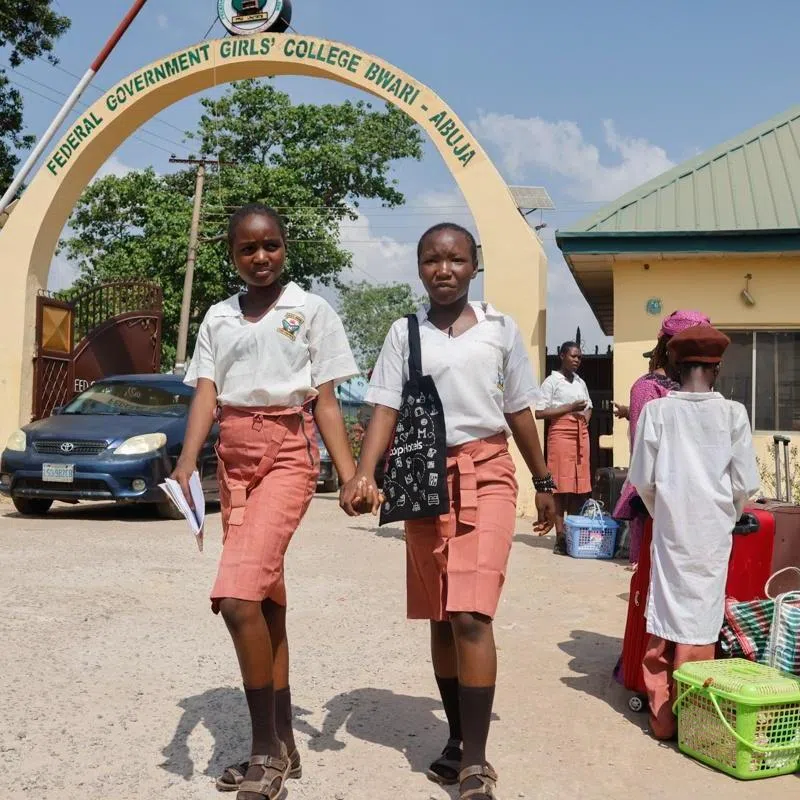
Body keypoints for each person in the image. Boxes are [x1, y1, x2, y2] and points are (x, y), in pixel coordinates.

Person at [340, 222, 557, 800]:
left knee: (471, 613)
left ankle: (477, 764)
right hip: (423, 478)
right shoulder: (403, 333)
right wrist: (364, 472)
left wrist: (544, 480)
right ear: (419, 268)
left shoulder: (500, 330)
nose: (444, 270)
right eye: (432, 260)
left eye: (456, 259)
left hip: (487, 473)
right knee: (441, 612)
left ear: (474, 264)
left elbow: (517, 411)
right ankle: (459, 738)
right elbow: (384, 406)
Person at [172, 204, 359, 800]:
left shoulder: (310, 310)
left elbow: (326, 400)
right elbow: (205, 395)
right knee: (266, 602)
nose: (260, 258)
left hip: (287, 451)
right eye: (248, 249)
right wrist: (185, 463)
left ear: (284, 248)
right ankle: (284, 742)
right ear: (231, 254)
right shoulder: (219, 317)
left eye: (271, 246)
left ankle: (263, 753)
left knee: (236, 596)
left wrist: (351, 474)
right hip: (233, 458)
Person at [628, 324, 759, 740]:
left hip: (670, 531)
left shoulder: (657, 413)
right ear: (716, 368)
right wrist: (724, 516)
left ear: (673, 366)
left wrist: (665, 512)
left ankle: (662, 717)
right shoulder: (733, 414)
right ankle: (696, 721)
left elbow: (643, 480)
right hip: (713, 535)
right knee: (702, 619)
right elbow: (745, 485)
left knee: (665, 613)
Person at [613, 310, 711, 567]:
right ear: (671, 347)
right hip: (656, 503)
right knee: (652, 585)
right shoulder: (647, 388)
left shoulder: (701, 389)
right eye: (691, 346)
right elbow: (644, 454)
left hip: (695, 501)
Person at [535, 342, 592, 554]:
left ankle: (572, 534)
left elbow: (589, 407)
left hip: (580, 433)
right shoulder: (551, 382)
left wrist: (584, 418)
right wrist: (569, 408)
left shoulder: (580, 382)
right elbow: (539, 413)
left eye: (579, 357)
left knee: (577, 487)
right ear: (562, 356)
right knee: (559, 487)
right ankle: (560, 537)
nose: (577, 360)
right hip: (560, 434)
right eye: (573, 356)